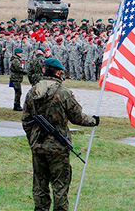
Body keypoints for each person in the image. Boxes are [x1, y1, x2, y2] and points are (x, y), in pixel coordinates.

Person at [22, 58, 100, 211]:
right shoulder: (63, 93)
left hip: (38, 145)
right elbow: (77, 117)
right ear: (58, 72)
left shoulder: (32, 92)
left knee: (40, 185)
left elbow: (25, 120)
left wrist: (33, 139)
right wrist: (93, 121)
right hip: (58, 147)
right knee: (60, 186)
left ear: (44, 70)